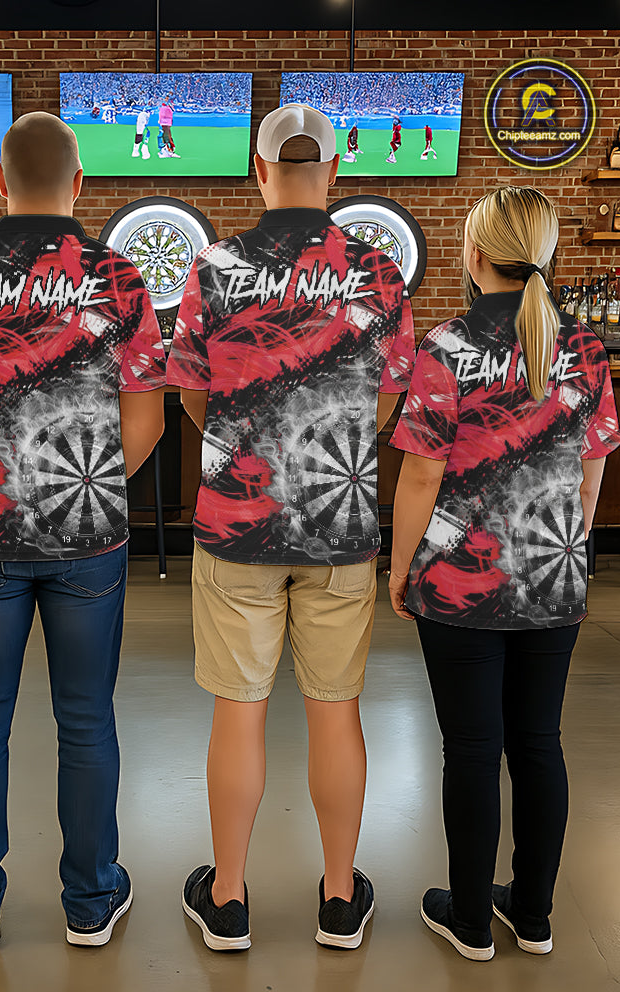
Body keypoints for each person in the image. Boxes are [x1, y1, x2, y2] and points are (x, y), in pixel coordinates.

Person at [0, 112, 166, 948]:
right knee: (86, 717)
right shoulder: (120, 278)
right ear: (80, 182)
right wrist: (85, 491)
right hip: (90, 534)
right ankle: (90, 900)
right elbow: (148, 421)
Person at [168, 103, 415, 952]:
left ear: (259, 170)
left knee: (237, 711)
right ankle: (340, 899)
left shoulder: (214, 266)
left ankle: (228, 899)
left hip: (235, 520)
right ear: (336, 170)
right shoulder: (379, 271)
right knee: (335, 709)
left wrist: (243, 440)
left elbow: (192, 393)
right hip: (339, 523)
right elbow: (389, 397)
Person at [388, 186, 620, 961]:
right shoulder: (585, 347)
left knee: (472, 749)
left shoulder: (447, 346)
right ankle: (535, 914)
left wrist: (401, 567)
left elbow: (422, 475)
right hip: (555, 578)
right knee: (539, 743)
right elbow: (590, 472)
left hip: (459, 582)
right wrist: (567, 547)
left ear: (476, 252)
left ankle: (468, 921)